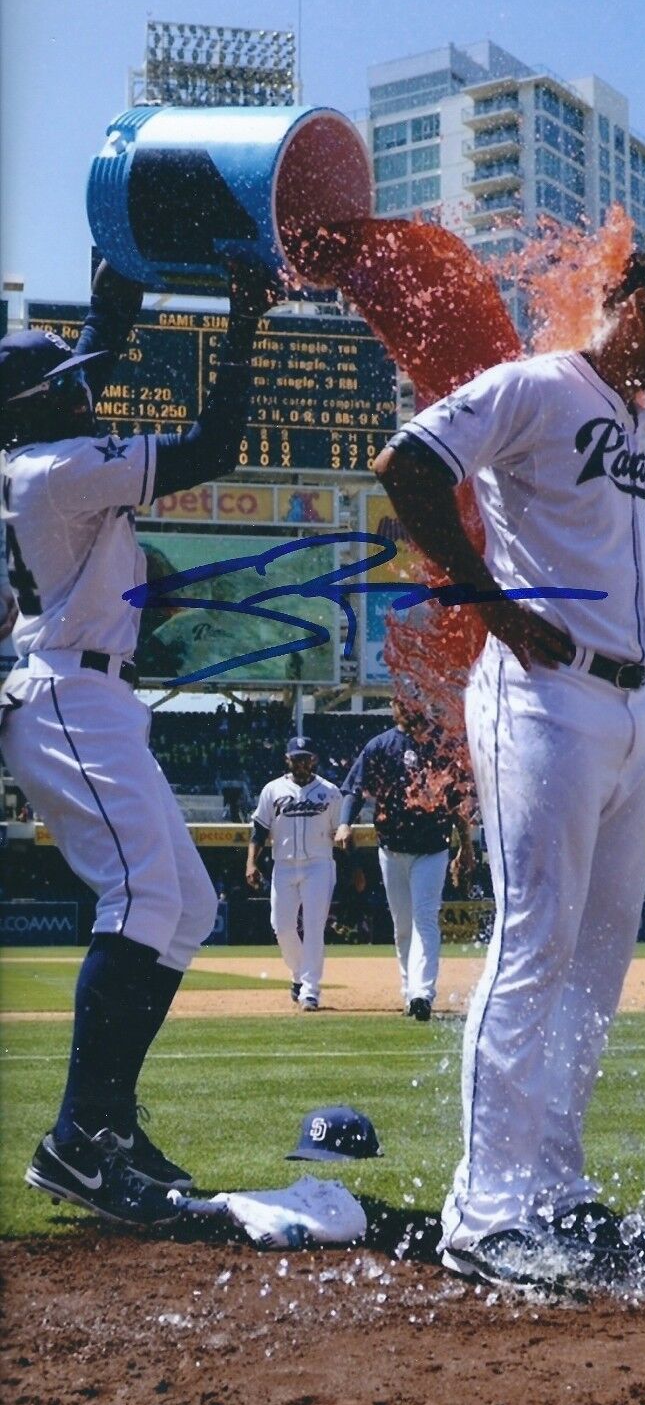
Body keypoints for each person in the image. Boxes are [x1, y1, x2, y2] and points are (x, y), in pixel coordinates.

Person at [373, 248, 645, 1288]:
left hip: (629, 704)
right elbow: (409, 463)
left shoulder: (640, 421)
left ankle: (554, 1188)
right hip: (545, 689)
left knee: (595, 966)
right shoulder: (536, 384)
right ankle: (483, 1211)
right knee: (534, 945)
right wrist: (485, 602)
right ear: (636, 304)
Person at [0, 257, 277, 1225]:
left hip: (84, 693)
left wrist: (114, 290)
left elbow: (73, 370)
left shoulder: (36, 451)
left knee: (186, 901)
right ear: (38, 405)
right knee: (144, 893)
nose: (88, 388)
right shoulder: (58, 469)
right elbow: (214, 445)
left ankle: (108, 1120)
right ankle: (82, 1140)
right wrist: (242, 325)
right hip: (71, 693)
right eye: (70, 384)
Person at [334, 697, 475, 1021]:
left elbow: (456, 802)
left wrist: (464, 847)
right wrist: (344, 822)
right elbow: (355, 789)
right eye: (401, 702)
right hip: (392, 849)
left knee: (425, 918)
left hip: (431, 850)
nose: (408, 708)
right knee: (402, 927)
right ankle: (410, 990)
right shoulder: (380, 745)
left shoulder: (438, 747)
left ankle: (423, 993)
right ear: (393, 705)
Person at [245, 735, 340, 1011]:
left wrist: (354, 866)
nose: (301, 763)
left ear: (314, 760)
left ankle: (310, 990)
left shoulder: (330, 792)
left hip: (319, 864)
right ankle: (299, 973)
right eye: (296, 758)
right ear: (287, 759)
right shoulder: (272, 790)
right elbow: (259, 831)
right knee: (281, 926)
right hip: (283, 865)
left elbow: (340, 832)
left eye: (305, 758)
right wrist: (251, 863)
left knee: (313, 927)